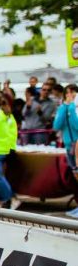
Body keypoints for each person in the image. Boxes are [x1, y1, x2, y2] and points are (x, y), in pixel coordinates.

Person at [54, 85, 78, 218]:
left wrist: (71, 108)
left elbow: (76, 125)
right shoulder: (64, 107)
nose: (69, 95)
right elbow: (57, 125)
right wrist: (64, 107)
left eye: (72, 92)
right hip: (69, 145)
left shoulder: (75, 108)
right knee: (75, 176)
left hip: (77, 145)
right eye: (67, 93)